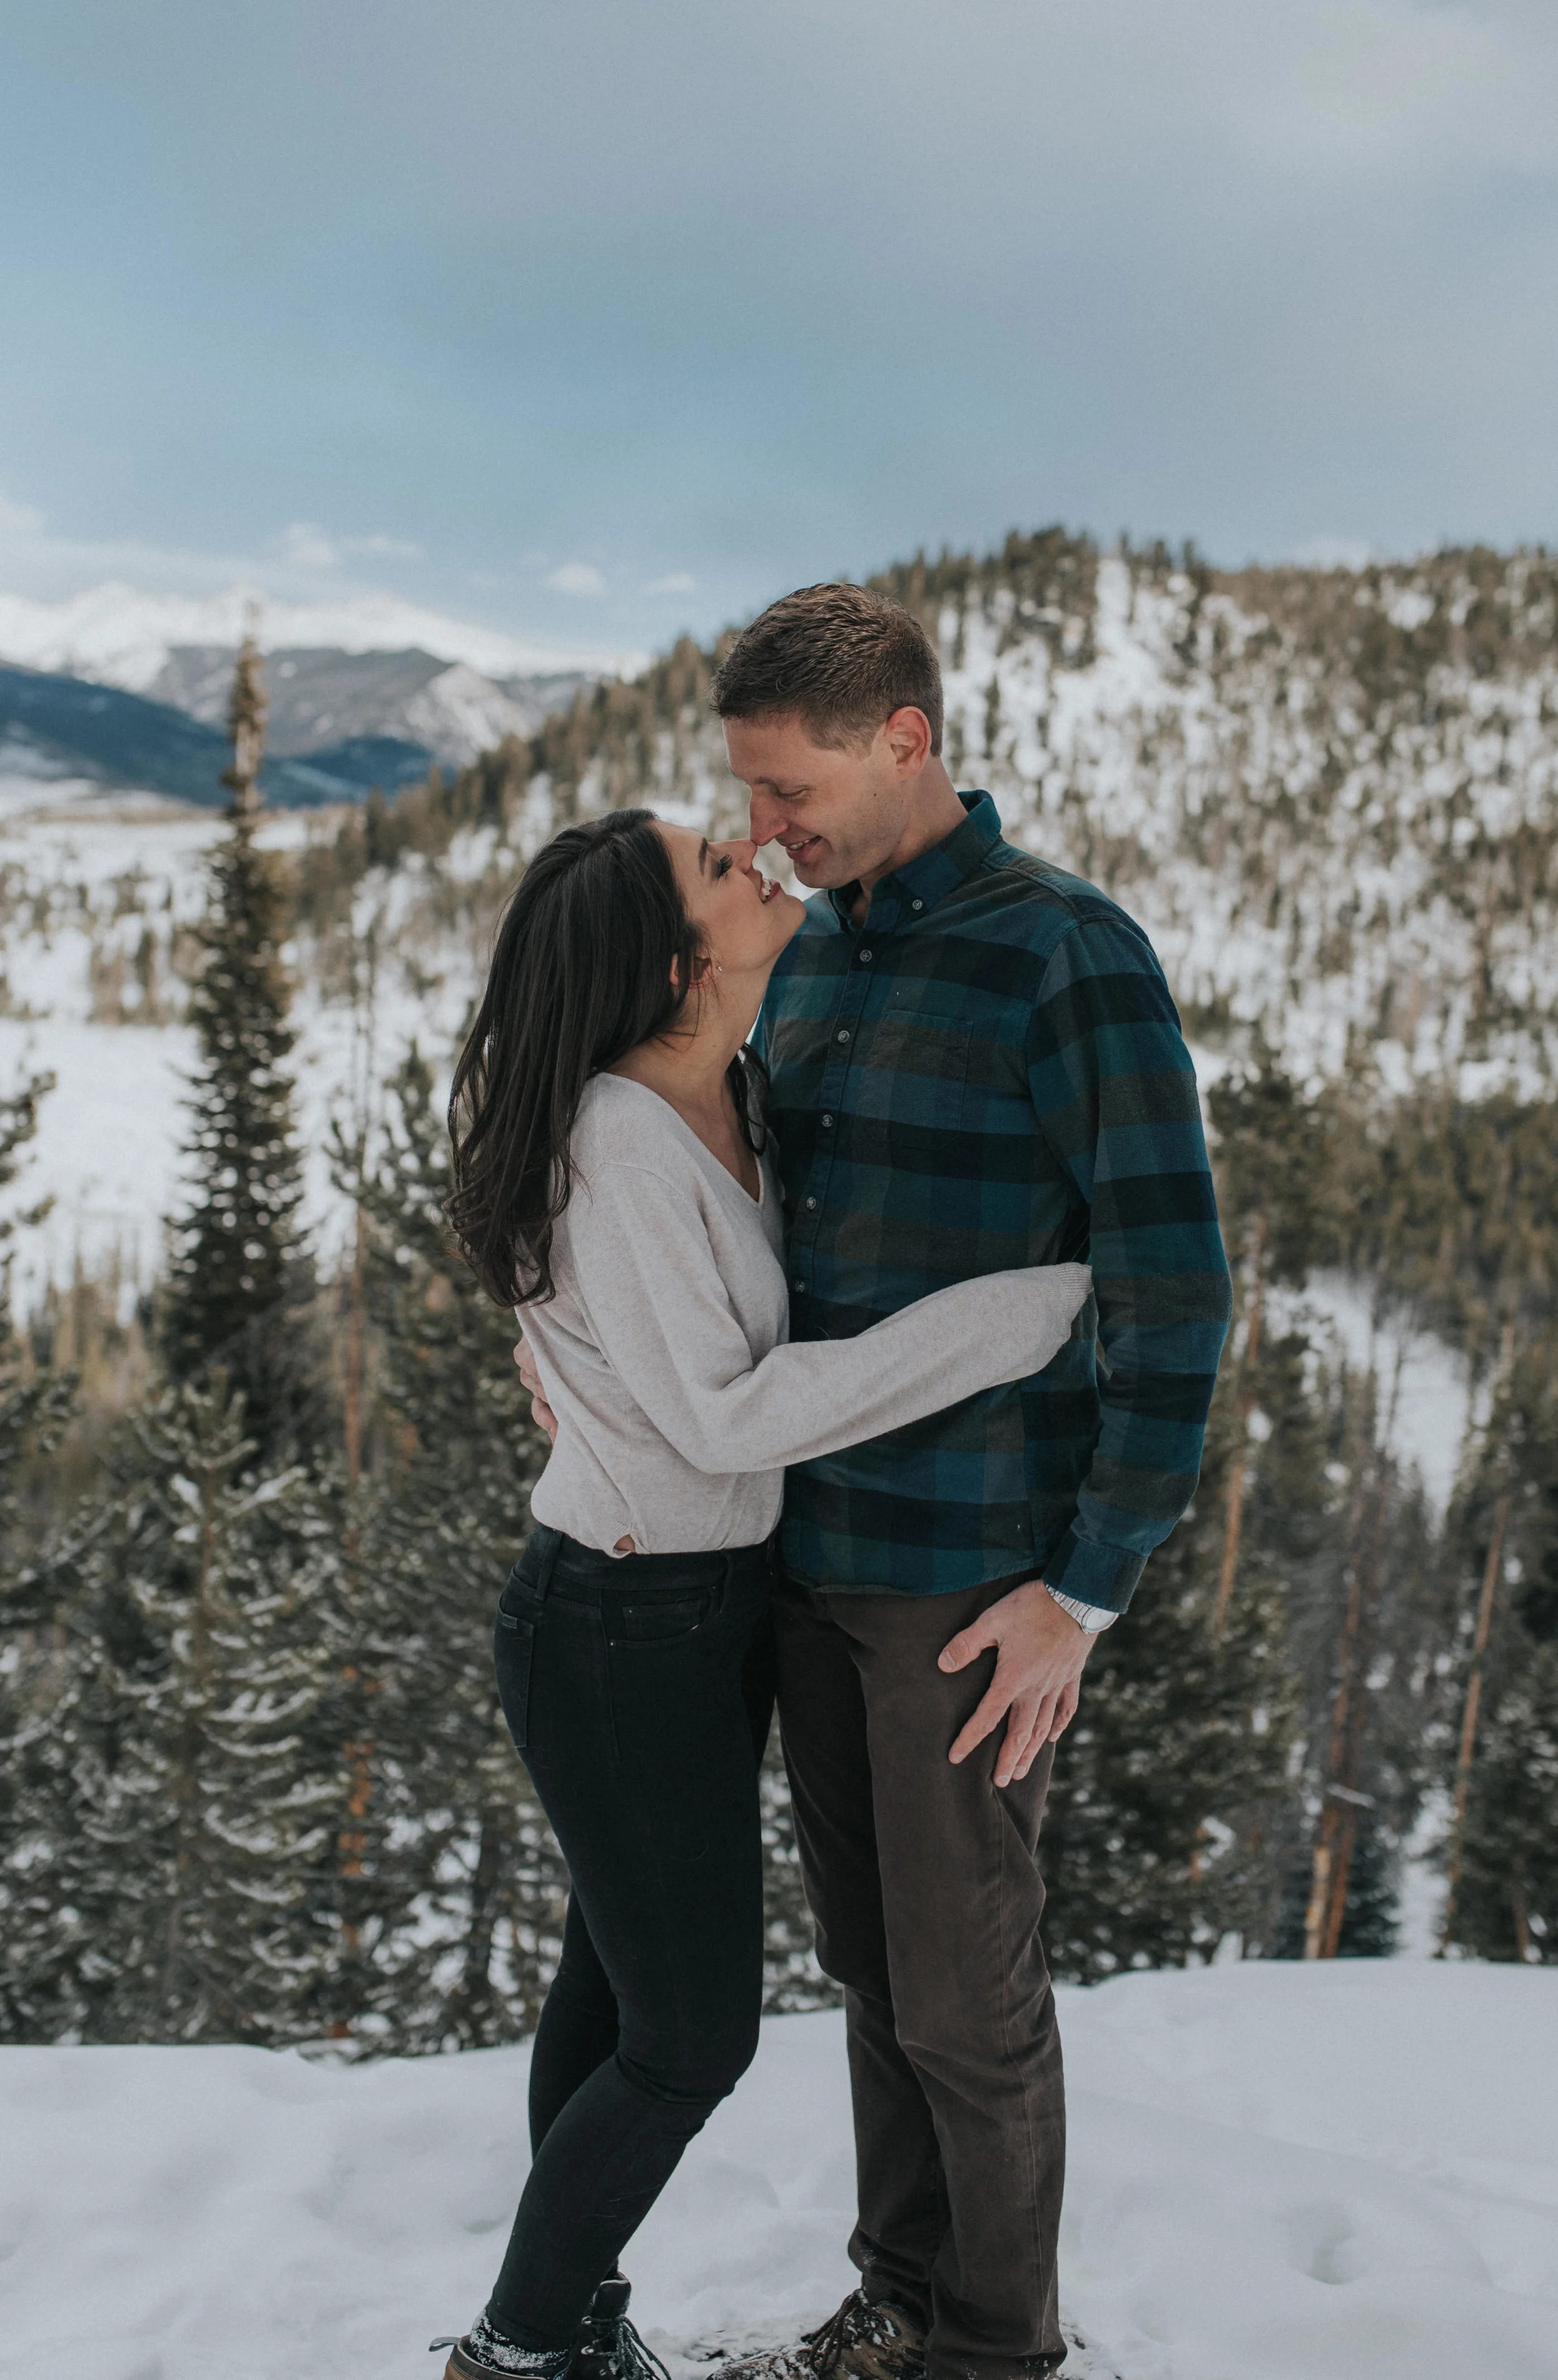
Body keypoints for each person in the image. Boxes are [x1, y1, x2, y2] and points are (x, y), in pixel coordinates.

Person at [433, 804, 1093, 2380]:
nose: (758, 858)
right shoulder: (619, 1141)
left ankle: (568, 2317)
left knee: (611, 1988)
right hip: (615, 1628)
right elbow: (726, 1414)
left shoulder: (724, 1086)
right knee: (686, 2040)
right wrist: (1013, 1320)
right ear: (676, 963)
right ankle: (514, 2348)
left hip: (697, 1611)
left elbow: (652, 1347)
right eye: (720, 870)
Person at [682, 582, 1229, 2380]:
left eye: (787, 786)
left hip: (969, 1585)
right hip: (806, 1550)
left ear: (902, 739)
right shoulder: (808, 954)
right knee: (870, 1971)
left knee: (966, 1992)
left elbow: (1172, 1287)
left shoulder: (1065, 952)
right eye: (746, 788)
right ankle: (898, 2298)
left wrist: (1085, 1587)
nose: (763, 823)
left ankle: (997, 2349)